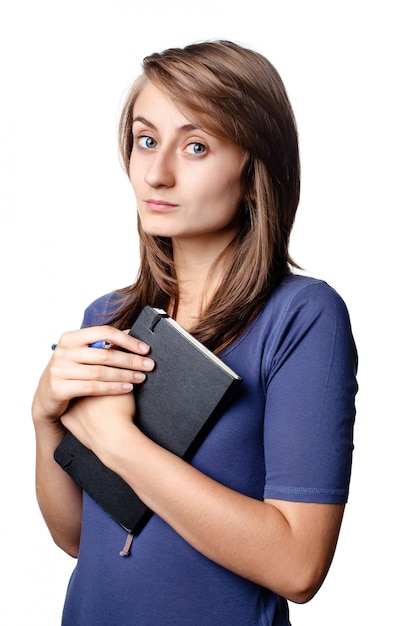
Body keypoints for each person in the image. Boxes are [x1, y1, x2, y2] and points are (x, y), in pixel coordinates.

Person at [32, 40, 358, 626]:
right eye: (146, 139)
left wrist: (120, 443)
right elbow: (79, 537)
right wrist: (44, 419)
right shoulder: (107, 316)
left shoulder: (302, 316)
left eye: (197, 146)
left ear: (255, 169)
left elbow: (298, 566)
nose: (157, 172)